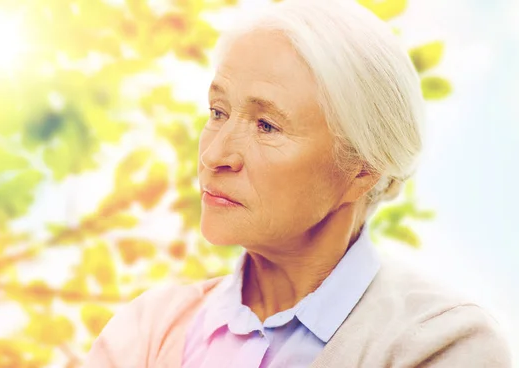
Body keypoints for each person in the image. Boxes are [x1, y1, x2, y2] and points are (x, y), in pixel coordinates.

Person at [84, 0, 512, 366]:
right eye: (217, 112)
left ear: (363, 169)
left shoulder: (445, 343)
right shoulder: (147, 329)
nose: (215, 156)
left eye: (267, 126)